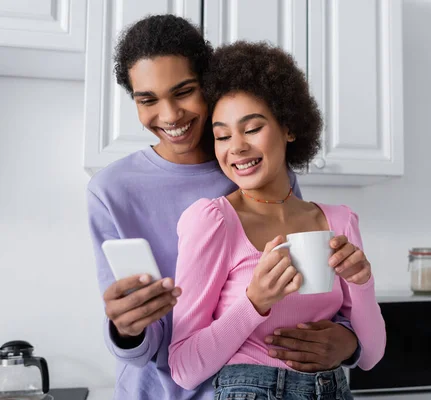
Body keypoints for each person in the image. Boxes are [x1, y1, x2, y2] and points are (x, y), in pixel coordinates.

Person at [87, 15, 371, 400]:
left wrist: (349, 341)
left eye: (184, 91)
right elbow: (141, 337)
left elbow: (309, 297)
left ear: (208, 86)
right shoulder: (112, 191)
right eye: (147, 100)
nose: (169, 115)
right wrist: (127, 327)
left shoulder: (257, 168)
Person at [168, 41, 386, 399]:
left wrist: (361, 286)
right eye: (222, 135)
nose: (235, 147)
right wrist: (254, 301)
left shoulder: (339, 221)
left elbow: (371, 356)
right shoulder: (212, 221)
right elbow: (184, 368)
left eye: (251, 128)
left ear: (289, 128)